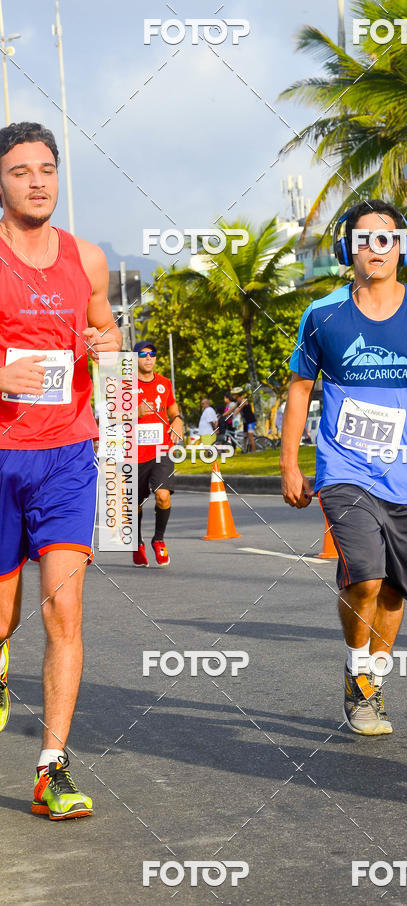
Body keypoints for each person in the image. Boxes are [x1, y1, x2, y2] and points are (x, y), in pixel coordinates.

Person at [280, 199, 407, 736]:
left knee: (393, 591)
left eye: (386, 238)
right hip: (344, 471)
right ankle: (358, 675)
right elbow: (299, 389)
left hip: (406, 475)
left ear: (402, 247)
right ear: (348, 251)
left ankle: (373, 679)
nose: (375, 248)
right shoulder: (323, 315)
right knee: (364, 577)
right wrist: (289, 463)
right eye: (364, 239)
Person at [0, 122, 122, 817]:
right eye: (21, 171)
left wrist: (107, 346)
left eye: (47, 168)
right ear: (1, 182)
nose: (38, 181)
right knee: (4, 615)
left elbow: (106, 343)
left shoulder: (88, 259)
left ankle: (52, 767)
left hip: (68, 455)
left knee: (64, 610)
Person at [133, 341, 183, 568]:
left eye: (152, 353)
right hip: (134, 453)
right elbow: (111, 417)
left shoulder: (164, 383)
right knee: (136, 504)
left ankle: (159, 539)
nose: (148, 357)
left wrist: (178, 420)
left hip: (161, 450)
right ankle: (137, 542)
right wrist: (135, 412)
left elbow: (173, 409)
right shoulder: (125, 386)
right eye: (143, 354)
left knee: (163, 495)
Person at [231, 386, 256, 452]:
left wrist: (233, 414)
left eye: (233, 394)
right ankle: (244, 450)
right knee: (245, 437)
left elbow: (238, 409)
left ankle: (254, 452)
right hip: (245, 421)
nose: (232, 396)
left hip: (250, 421)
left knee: (250, 437)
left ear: (237, 394)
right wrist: (223, 415)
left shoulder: (244, 400)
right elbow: (231, 409)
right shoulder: (237, 402)